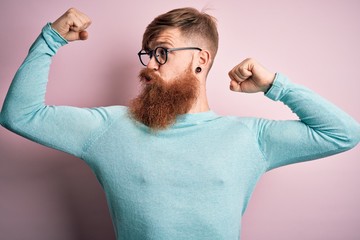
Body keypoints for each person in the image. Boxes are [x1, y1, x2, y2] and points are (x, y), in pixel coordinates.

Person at [1, 7, 359, 240]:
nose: (150, 65)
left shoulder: (250, 138)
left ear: (200, 59)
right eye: (148, 54)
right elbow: (20, 115)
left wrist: (274, 85)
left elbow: (343, 134)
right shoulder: (108, 128)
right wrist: (51, 40)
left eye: (162, 52)